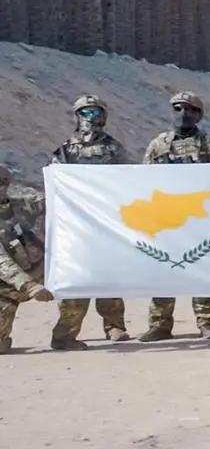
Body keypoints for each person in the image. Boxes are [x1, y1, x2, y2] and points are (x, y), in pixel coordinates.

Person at [139, 92, 210, 342]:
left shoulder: (209, 145)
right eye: (178, 108)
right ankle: (159, 324)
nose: (183, 113)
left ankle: (207, 323)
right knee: (164, 268)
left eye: (189, 109)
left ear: (198, 115)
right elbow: (143, 180)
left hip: (198, 217)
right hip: (166, 218)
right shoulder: (158, 144)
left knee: (201, 267)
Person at [50, 94, 132, 343]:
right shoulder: (65, 150)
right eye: (85, 112)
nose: (90, 117)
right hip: (76, 224)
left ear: (103, 116)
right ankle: (66, 332)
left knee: (109, 275)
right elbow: (56, 184)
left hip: (107, 220)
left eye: (95, 112)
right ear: (77, 116)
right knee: (77, 276)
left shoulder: (113, 148)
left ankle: (114, 326)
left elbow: (126, 182)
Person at [0, 165, 52, 353]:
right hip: (8, 286)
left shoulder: (23, 206)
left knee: (79, 286)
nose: (1, 187)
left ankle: (65, 336)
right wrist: (29, 286)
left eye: (3, 182)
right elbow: (2, 262)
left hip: (43, 272)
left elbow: (56, 201)